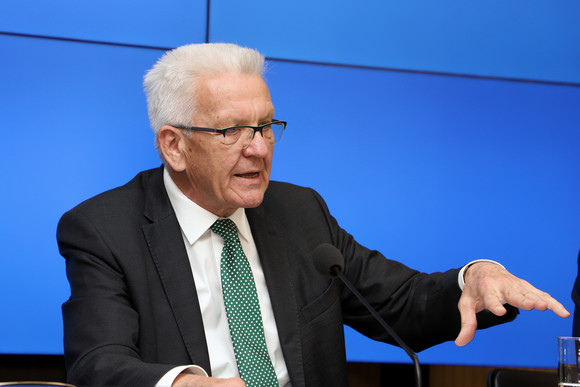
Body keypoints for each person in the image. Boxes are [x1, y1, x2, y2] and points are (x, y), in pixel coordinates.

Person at [57, 43, 569, 387]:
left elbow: (400, 303)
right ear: (174, 145)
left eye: (265, 125)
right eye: (231, 131)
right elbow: (97, 362)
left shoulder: (299, 211)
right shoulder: (105, 230)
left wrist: (470, 280)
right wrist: (182, 382)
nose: (258, 149)